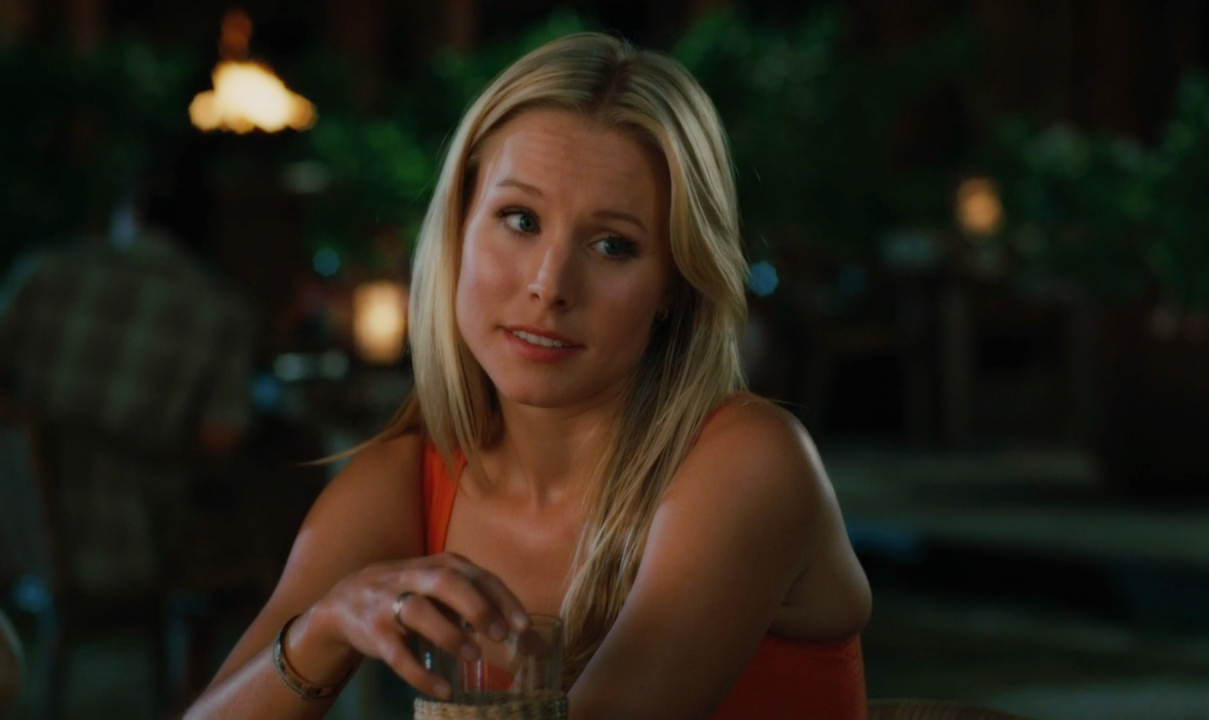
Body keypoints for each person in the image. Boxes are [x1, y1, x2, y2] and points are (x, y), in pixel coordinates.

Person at [186, 32, 872, 719]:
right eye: (520, 219)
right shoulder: (407, 482)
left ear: (674, 285)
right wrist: (319, 632)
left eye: (612, 245)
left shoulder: (750, 463)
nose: (550, 284)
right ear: (458, 227)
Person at [0, 150, 254, 596]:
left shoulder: (45, 269)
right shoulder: (219, 308)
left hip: (14, 527)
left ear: (133, 208)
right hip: (130, 545)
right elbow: (221, 439)